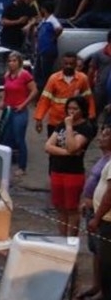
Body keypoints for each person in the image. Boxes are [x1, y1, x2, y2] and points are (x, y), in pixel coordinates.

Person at [45, 96, 96, 237]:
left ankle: (72, 240)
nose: (71, 111)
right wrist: (67, 153)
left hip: (73, 173)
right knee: (60, 207)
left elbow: (74, 146)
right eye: (69, 108)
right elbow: (48, 146)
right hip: (57, 169)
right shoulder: (61, 124)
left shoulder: (85, 128)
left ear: (82, 110)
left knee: (72, 208)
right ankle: (62, 238)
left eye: (75, 109)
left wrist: (69, 127)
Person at [80, 124, 111, 300]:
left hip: (104, 218)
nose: (100, 138)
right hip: (94, 212)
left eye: (106, 135)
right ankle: (97, 286)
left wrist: (97, 217)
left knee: (105, 260)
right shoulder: (104, 158)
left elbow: (109, 194)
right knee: (96, 252)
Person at [35, 52, 96, 136]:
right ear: (61, 64)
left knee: (72, 147)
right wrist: (39, 118)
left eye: (71, 64)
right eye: (66, 63)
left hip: (75, 122)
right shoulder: (54, 79)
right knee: (53, 147)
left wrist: (91, 115)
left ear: (75, 64)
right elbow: (45, 99)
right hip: (56, 122)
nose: (68, 66)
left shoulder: (82, 78)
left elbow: (89, 98)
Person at [85, 139, 111, 300]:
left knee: (107, 266)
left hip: (107, 221)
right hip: (103, 218)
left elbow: (110, 194)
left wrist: (97, 217)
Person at [0, 52, 38, 177]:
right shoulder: (7, 75)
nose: (11, 63)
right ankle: (4, 163)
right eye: (10, 61)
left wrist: (24, 104)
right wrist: (3, 102)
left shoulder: (25, 75)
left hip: (20, 111)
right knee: (5, 138)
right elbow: (5, 90)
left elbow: (34, 91)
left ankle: (22, 167)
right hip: (9, 110)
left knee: (19, 138)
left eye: (14, 61)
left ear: (19, 62)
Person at [34, 1, 63, 87]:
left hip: (48, 50)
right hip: (41, 50)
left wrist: (54, 37)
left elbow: (59, 28)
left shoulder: (52, 19)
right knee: (38, 72)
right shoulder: (44, 20)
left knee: (45, 73)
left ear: (44, 9)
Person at [87, 30, 111, 118]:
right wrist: (89, 87)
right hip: (100, 88)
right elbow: (91, 71)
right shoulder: (99, 54)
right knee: (95, 112)